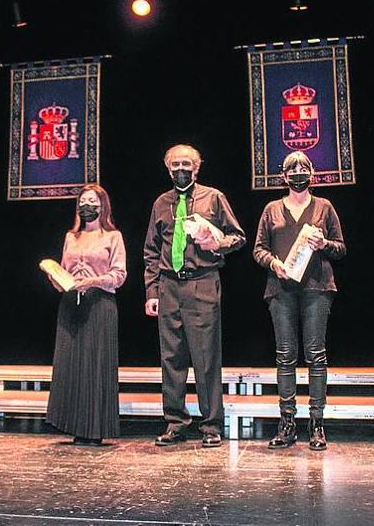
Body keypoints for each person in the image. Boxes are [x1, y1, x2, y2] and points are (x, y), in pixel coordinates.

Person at [144, 144, 246, 447]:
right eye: (175, 164)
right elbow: (151, 251)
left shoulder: (213, 198)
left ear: (197, 167)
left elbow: (238, 236)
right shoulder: (161, 203)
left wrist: (215, 244)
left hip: (202, 282)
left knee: (205, 357)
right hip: (169, 285)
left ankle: (211, 425)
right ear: (167, 168)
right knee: (171, 358)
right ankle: (175, 423)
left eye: (186, 164)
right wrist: (152, 290)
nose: (180, 169)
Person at [252, 151, 346, 450]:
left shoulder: (324, 207)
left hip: (316, 288)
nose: (297, 172)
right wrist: (272, 263)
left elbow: (341, 248)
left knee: (316, 354)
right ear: (283, 176)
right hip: (281, 289)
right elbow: (258, 249)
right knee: (285, 356)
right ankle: (287, 422)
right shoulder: (271, 209)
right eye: (291, 168)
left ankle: (317, 424)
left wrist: (325, 244)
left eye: (302, 167)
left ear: (312, 173)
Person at [45, 185, 127, 446]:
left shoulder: (112, 236)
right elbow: (66, 271)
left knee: (95, 365)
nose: (87, 205)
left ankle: (95, 428)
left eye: (92, 201)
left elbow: (119, 275)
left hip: (99, 303)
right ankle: (73, 424)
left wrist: (92, 281)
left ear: (102, 206)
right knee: (71, 365)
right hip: (70, 303)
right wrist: (56, 278)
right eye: (83, 201)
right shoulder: (71, 236)